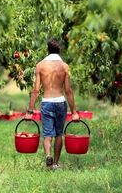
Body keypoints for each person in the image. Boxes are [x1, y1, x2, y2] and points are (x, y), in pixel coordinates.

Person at [25, 38, 80, 170]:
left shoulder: (40, 66)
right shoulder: (64, 67)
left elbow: (36, 90)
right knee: (58, 134)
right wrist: (74, 112)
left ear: (48, 50)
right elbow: (68, 91)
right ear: (59, 50)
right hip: (60, 103)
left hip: (47, 103)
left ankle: (48, 156)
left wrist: (30, 111)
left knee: (47, 134)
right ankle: (55, 163)